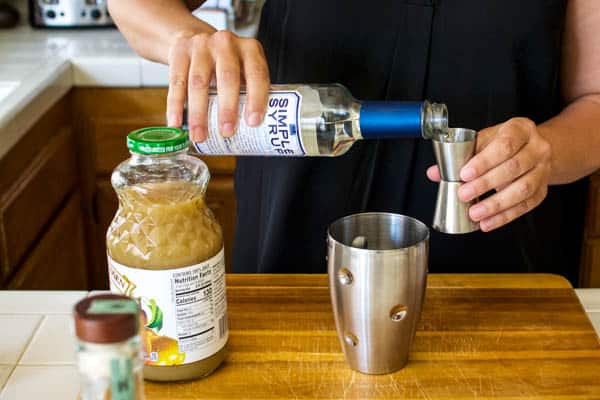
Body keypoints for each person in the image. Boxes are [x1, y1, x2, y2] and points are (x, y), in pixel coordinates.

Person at [108, 0, 600, 284]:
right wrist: (191, 37)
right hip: (296, 259)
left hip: (496, 265)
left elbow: (594, 99)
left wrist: (546, 152)